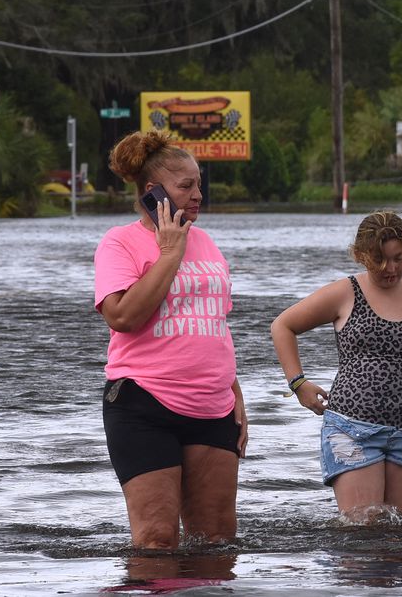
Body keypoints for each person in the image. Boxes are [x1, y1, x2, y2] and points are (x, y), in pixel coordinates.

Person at [93, 130, 247, 549]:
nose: (198, 194)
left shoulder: (207, 242)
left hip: (212, 406)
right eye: (186, 186)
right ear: (153, 191)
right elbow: (122, 316)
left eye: (199, 183)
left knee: (217, 540)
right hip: (144, 404)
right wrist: (168, 255)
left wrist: (235, 394)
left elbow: (215, 323)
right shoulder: (119, 243)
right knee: (157, 541)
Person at [270, 211, 402, 522]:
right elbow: (283, 326)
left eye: (399, 258)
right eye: (380, 259)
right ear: (360, 255)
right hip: (352, 428)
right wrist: (298, 383)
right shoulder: (345, 292)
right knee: (363, 533)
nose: (391, 268)